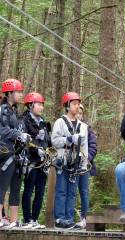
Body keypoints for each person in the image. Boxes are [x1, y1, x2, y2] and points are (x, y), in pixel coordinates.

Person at [51, 92, 88, 229]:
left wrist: (84, 163)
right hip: (63, 160)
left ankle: (69, 218)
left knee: (72, 192)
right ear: (67, 106)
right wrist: (67, 139)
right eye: (74, 104)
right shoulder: (60, 122)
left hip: (76, 163)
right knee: (61, 189)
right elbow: (54, 141)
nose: (77, 106)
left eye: (78, 104)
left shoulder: (82, 126)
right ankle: (59, 219)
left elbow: (84, 146)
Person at [0, 79, 30, 228]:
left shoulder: (15, 112)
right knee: (2, 186)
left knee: (16, 188)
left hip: (16, 153)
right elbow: (2, 130)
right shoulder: (3, 109)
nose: (20, 94)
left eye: (20, 91)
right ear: (9, 93)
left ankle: (14, 220)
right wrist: (17, 134)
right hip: (5, 153)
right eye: (17, 92)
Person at [21, 92, 51, 229]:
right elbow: (25, 141)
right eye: (39, 104)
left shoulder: (44, 122)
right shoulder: (24, 120)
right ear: (31, 105)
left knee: (40, 191)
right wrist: (35, 149)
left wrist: (50, 153)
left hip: (43, 162)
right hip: (31, 161)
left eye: (42, 105)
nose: (41, 107)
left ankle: (35, 219)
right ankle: (27, 219)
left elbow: (48, 142)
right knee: (28, 190)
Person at [74, 104, 97, 229]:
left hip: (84, 165)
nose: (78, 115)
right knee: (70, 192)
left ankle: (84, 218)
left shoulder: (87, 129)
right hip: (70, 165)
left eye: (80, 113)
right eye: (76, 112)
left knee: (84, 192)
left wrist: (87, 158)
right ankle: (67, 219)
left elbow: (93, 146)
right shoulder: (68, 126)